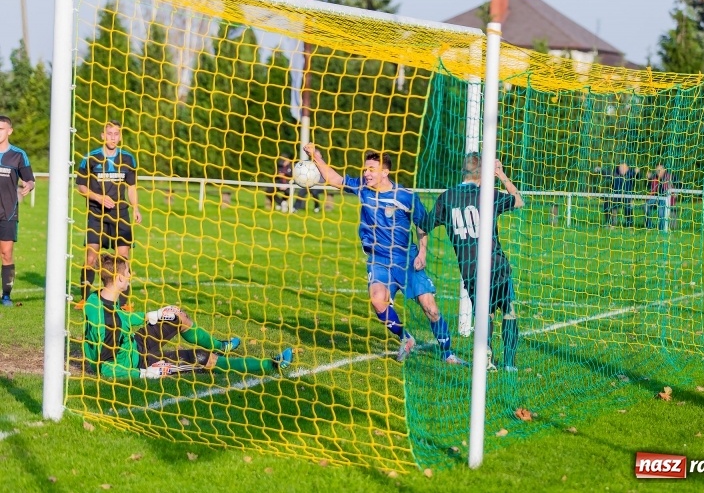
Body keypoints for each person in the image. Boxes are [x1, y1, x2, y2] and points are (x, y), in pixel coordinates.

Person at [303, 142, 463, 364]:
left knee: (430, 308)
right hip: (378, 260)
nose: (366, 173)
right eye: (365, 169)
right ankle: (405, 338)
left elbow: (422, 225)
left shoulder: (406, 196)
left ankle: (449, 354)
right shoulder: (362, 188)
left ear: (385, 172)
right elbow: (335, 179)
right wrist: (315, 157)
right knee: (378, 300)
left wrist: (423, 253)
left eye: (371, 170)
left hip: (406, 258)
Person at [83, 254, 293, 379]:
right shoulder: (109, 324)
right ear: (119, 278)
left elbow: (123, 319)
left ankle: (220, 345)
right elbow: (106, 369)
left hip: (134, 344)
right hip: (139, 363)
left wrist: (152, 315)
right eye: (128, 272)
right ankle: (271, 365)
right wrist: (145, 374)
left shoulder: (97, 298)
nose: (131, 275)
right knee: (201, 358)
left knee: (175, 315)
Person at [421, 153, 524, 372]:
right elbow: (518, 200)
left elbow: (423, 226)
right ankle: (509, 363)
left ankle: (486, 356)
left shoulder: (447, 197)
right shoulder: (487, 194)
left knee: (484, 313)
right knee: (508, 310)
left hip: (470, 269)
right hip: (496, 265)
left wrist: (422, 253)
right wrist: (501, 175)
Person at [74, 121, 141, 310]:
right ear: (103, 136)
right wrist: (98, 197)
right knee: (91, 257)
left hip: (120, 215)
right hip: (96, 214)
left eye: (116, 134)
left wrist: (135, 208)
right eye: (109, 133)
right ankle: (85, 299)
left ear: (120, 136)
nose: (113, 137)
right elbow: (81, 186)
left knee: (123, 257)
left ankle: (123, 302)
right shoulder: (91, 158)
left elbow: (132, 187)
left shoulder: (128, 159)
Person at [0, 116, 35, 307]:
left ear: (9, 131)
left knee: (6, 254)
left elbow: (30, 179)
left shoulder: (18, 155)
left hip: (8, 211)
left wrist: (28, 185)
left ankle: (6, 296)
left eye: (1, 128)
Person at [594, 162, 640, 227]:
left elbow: (639, 176)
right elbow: (607, 173)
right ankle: (610, 223)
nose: (622, 169)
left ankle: (629, 225)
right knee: (607, 204)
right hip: (616, 198)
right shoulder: (615, 175)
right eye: (620, 167)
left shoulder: (631, 175)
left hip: (627, 198)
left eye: (624, 168)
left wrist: (637, 171)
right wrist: (600, 170)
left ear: (628, 168)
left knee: (628, 205)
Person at [644, 163, 675, 230]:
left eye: (660, 170)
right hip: (655, 197)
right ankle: (649, 226)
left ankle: (661, 228)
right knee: (646, 205)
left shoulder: (669, 177)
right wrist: (648, 179)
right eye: (657, 170)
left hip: (665, 198)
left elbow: (674, 187)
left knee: (661, 211)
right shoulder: (653, 177)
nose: (658, 172)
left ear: (664, 170)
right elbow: (650, 189)